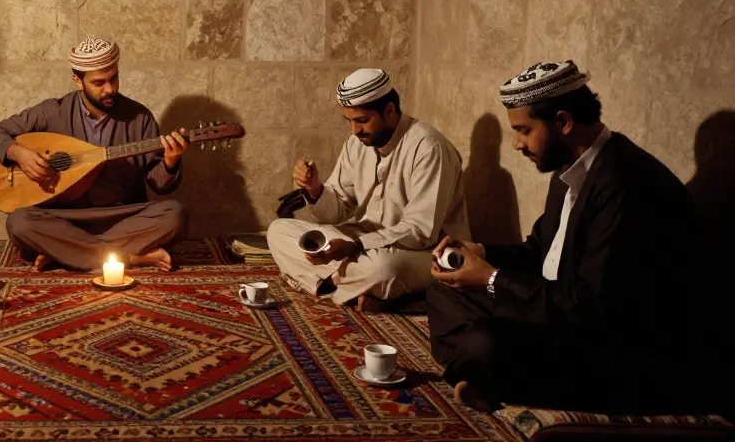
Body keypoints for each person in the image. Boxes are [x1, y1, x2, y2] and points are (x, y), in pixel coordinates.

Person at [428, 61, 700, 413]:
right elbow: (541, 251)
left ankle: (484, 368)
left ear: (563, 122)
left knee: (486, 339)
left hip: (615, 350)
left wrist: (492, 280)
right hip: (562, 313)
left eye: (524, 131)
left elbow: (590, 308)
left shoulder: (623, 184)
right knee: (442, 291)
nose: (516, 144)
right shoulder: (569, 170)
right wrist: (479, 251)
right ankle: (484, 371)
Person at [267, 69, 469, 311]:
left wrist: (357, 246)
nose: (355, 131)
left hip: (424, 251)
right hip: (363, 243)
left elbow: (421, 231)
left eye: (362, 120)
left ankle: (330, 283)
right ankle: (357, 289)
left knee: (383, 268)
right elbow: (337, 211)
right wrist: (316, 189)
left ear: (390, 111)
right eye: (350, 121)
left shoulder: (429, 148)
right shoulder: (358, 144)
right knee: (279, 230)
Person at [0, 37, 188, 272]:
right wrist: (17, 153)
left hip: (120, 218)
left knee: (174, 215)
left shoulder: (139, 117)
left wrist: (171, 161)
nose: (110, 88)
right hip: (64, 220)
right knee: (19, 223)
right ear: (77, 81)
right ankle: (131, 258)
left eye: (114, 78)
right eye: (99, 82)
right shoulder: (52, 112)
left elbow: (159, 185)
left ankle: (66, 254)